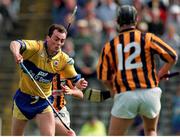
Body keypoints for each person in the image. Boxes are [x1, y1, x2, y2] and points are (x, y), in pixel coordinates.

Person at [96, 5, 178, 136]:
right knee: (151, 130)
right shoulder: (148, 38)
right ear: (136, 20)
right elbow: (172, 56)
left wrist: (113, 91)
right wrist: (162, 72)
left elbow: (103, 77)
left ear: (117, 21)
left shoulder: (110, 46)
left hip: (125, 94)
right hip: (150, 93)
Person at [9, 24, 88, 135]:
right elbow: (14, 43)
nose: (58, 43)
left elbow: (76, 81)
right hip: (23, 98)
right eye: (56, 39)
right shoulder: (36, 47)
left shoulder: (64, 60)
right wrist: (17, 53)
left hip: (43, 102)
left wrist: (80, 83)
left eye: (62, 41)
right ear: (48, 37)